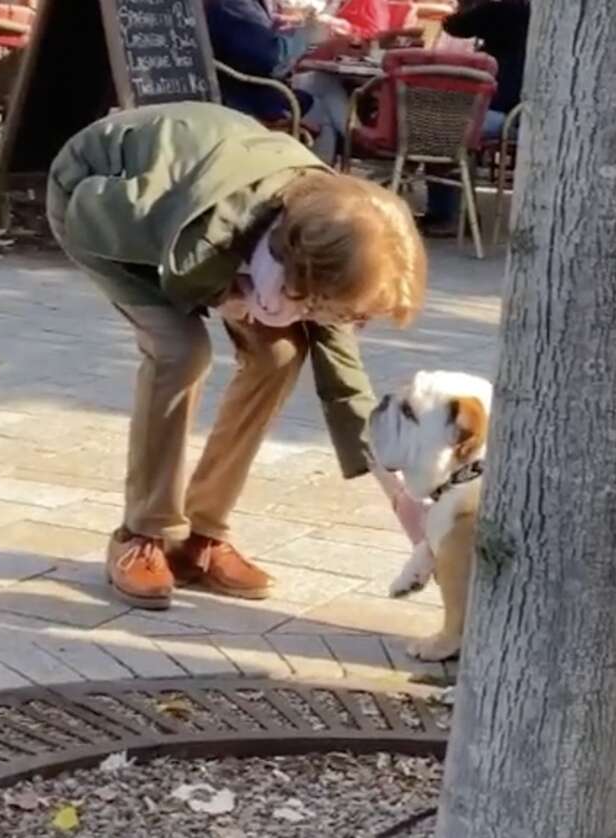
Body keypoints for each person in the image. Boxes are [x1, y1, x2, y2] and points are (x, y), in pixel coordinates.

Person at [47, 102, 428, 611]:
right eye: (347, 313)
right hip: (104, 201)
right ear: (305, 283)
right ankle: (144, 533)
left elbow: (345, 385)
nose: (353, 325)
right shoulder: (206, 234)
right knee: (180, 352)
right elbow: (86, 213)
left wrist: (402, 498)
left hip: (232, 235)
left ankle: (201, 535)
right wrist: (205, 288)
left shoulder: (324, 241)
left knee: (279, 355)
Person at [419, 0, 530, 237]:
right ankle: (453, 211)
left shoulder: (504, 9)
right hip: (517, 112)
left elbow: (455, 25)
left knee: (436, 128)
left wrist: (468, 5)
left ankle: (449, 214)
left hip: (502, 113)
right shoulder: (528, 13)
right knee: (441, 123)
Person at [205, 0, 354, 163]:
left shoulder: (243, 6)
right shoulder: (236, 5)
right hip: (245, 99)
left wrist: (281, 28)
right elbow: (274, 62)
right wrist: (308, 33)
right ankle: (314, 180)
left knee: (322, 83)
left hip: (245, 87)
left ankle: (354, 135)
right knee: (319, 113)